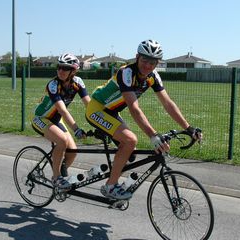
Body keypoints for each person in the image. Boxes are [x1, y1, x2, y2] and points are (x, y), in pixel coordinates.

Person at [85, 39, 202, 200]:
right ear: (137, 57)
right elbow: (134, 108)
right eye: (145, 60)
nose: (148, 66)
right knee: (130, 140)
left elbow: (168, 103)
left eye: (153, 62)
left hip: (112, 112)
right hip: (97, 109)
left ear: (158, 63)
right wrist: (153, 135)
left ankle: (102, 172)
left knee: (129, 153)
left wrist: (189, 127)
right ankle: (110, 186)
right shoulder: (126, 73)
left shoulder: (153, 77)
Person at [31, 53, 90, 191]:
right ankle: (56, 178)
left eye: (65, 68)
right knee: (62, 141)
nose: (61, 71)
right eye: (59, 67)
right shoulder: (53, 85)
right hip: (41, 118)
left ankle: (61, 170)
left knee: (73, 151)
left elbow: (89, 105)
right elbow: (63, 110)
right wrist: (76, 129)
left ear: (73, 71)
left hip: (56, 120)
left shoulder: (78, 82)